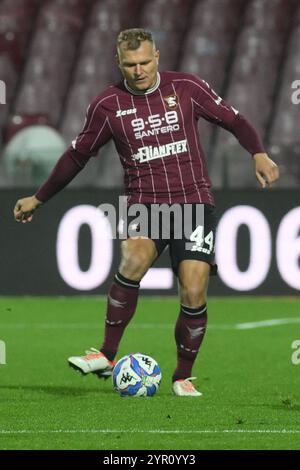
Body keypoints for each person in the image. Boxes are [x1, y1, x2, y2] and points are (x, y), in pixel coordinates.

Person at [13, 28, 279, 396]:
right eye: (129, 65)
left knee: (193, 287)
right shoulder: (107, 105)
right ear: (118, 63)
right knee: (134, 259)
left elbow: (234, 119)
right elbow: (77, 156)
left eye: (144, 62)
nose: (138, 71)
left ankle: (182, 375)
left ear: (157, 57)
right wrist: (39, 198)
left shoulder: (187, 87)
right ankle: (107, 355)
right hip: (146, 203)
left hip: (192, 201)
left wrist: (258, 153)